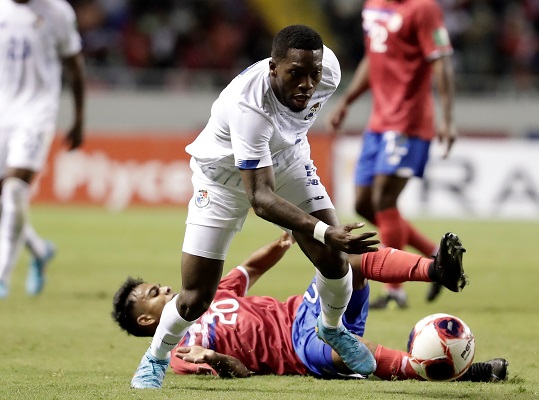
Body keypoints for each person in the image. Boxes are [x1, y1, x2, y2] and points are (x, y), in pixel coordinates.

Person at [129, 24, 412, 389]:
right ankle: (156, 357)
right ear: (273, 69)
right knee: (196, 298)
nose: (308, 85)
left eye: (314, 74)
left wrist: (325, 236)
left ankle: (331, 328)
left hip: (289, 161)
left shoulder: (329, 72)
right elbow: (260, 199)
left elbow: (299, 122)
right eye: (296, 74)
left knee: (333, 260)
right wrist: (325, 230)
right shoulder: (249, 106)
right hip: (221, 181)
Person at [113, 232, 501, 383]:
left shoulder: (206, 295)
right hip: (298, 349)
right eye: (153, 291)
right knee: (338, 354)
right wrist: (213, 357)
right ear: (146, 318)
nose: (164, 286)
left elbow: (250, 269)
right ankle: (455, 371)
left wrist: (281, 244)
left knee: (347, 260)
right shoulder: (177, 352)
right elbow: (243, 373)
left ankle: (435, 269)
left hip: (304, 311)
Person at [326, 0, 457, 308]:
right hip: (378, 123)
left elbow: (441, 62)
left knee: (384, 200)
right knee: (363, 203)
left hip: (408, 122)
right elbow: (374, 58)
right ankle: (433, 253)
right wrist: (347, 101)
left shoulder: (423, 10)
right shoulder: (374, 6)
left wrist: (447, 118)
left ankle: (394, 290)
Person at [0, 0, 86, 299]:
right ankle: (39, 250)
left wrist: (79, 119)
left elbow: (74, 64)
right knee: (4, 202)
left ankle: (2, 277)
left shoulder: (57, 11)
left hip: (36, 113)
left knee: (13, 190)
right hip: (2, 113)